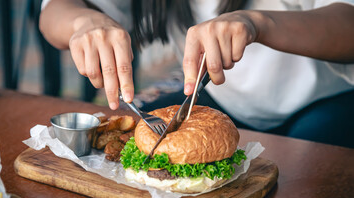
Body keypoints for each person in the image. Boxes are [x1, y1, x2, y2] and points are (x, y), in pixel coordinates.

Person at [39, 0, 354, 148]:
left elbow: (347, 23)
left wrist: (258, 23)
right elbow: (54, 11)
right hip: (219, 97)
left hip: (329, 99)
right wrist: (83, 22)